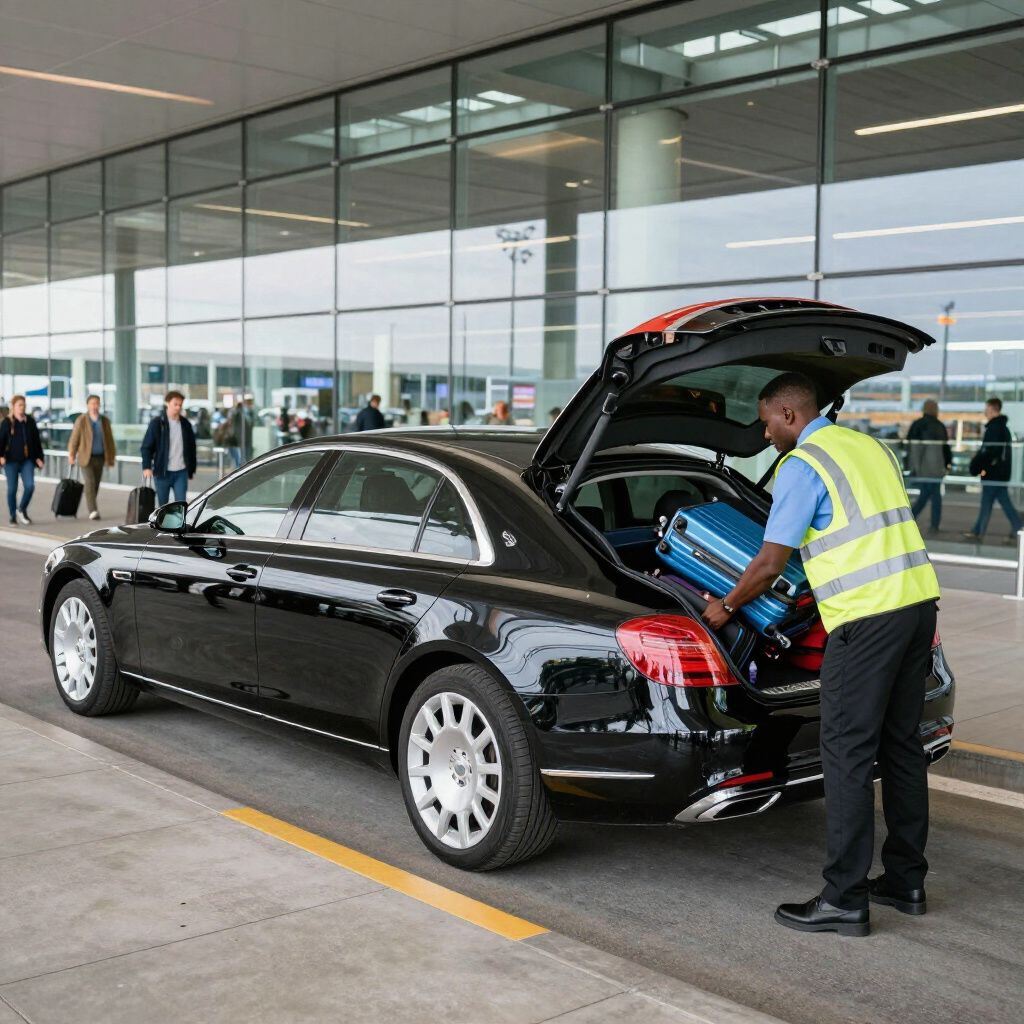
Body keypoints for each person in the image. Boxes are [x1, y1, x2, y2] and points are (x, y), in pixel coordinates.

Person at [702, 372, 940, 938]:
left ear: (788, 413)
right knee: (902, 745)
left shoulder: (803, 465)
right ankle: (906, 881)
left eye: (766, 422)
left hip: (865, 616)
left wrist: (726, 608)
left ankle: (843, 897)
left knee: (846, 751)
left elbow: (769, 561)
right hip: (916, 605)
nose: (764, 434)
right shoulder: (866, 447)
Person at [963, 397, 1022, 542]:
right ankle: (1018, 528)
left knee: (987, 503)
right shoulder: (1003, 428)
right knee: (1001, 503)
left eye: (986, 407)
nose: (985, 411)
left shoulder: (994, 428)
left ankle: (978, 533)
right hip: (1000, 473)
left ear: (992, 409)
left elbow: (989, 452)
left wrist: (978, 466)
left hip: (993, 473)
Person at [141, 390, 197, 506]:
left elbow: (192, 448)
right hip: (162, 472)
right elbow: (146, 447)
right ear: (167, 403)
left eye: (180, 405)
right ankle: (163, 525)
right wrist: (146, 466)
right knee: (163, 506)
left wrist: (191, 470)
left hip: (181, 472)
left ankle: (179, 525)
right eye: (175, 404)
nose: (178, 407)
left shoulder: (186, 424)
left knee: (181, 506)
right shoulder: (157, 423)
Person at [905, 399, 951, 535]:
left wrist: (913, 466)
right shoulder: (940, 426)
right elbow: (946, 448)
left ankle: (908, 521)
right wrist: (947, 464)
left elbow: (912, 447)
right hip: (938, 468)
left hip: (923, 467)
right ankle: (934, 525)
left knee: (925, 495)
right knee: (934, 495)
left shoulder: (917, 425)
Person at [67, 394, 117, 521]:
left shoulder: (104, 421)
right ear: (88, 405)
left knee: (95, 485)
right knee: (89, 482)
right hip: (86, 457)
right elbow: (74, 438)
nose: (94, 406)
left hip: (100, 457)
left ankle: (91, 503)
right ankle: (93, 510)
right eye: (92, 403)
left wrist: (111, 457)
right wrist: (72, 454)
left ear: (99, 405)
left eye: (97, 403)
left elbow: (109, 440)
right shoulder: (82, 420)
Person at [0, 395, 45, 526]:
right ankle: (13, 516)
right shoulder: (7, 422)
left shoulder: (30, 421)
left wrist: (39, 457)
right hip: (11, 461)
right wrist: (1, 456)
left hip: (27, 460)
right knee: (12, 489)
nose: (22, 407)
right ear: (13, 407)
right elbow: (1, 441)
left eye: (23, 405)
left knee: (30, 486)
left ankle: (22, 509)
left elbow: (37, 441)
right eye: (19, 405)